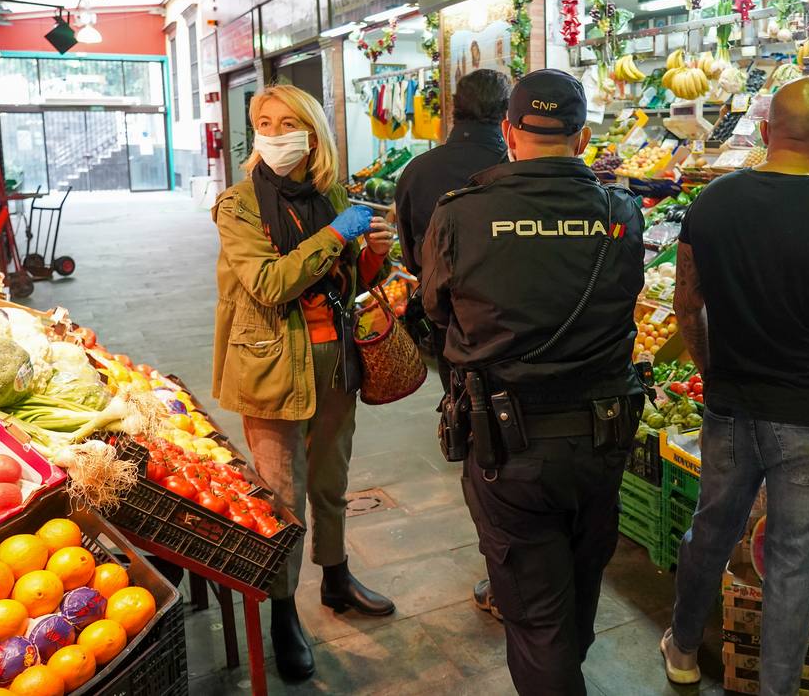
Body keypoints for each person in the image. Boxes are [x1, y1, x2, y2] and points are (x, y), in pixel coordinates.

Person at [658, 77, 809, 695]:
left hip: (730, 406)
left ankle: (684, 649)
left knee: (710, 532)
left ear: (766, 133)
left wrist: (712, 370)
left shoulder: (713, 202)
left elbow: (686, 303)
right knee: (794, 565)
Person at [419, 69, 646, 695]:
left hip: (508, 446)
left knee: (538, 618)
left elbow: (436, 312)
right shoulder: (619, 212)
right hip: (602, 443)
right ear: (581, 139)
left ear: (509, 134)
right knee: (579, 589)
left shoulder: (461, 216)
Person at [212, 84, 397, 683]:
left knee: (330, 481)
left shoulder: (331, 195)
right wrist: (338, 234)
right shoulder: (238, 205)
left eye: (286, 122)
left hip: (335, 360)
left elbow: (346, 281)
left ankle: (337, 579)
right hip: (270, 364)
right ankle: (284, 612)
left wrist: (373, 255)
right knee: (283, 496)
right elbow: (270, 284)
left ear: (312, 133)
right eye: (263, 122)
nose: (273, 133)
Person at [395, 67, 510, 620]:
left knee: (478, 439)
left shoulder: (419, 172)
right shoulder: (519, 169)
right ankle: (513, 572)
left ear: (453, 110)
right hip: (522, 336)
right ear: (507, 117)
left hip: (454, 337)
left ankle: (500, 565)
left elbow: (413, 263)